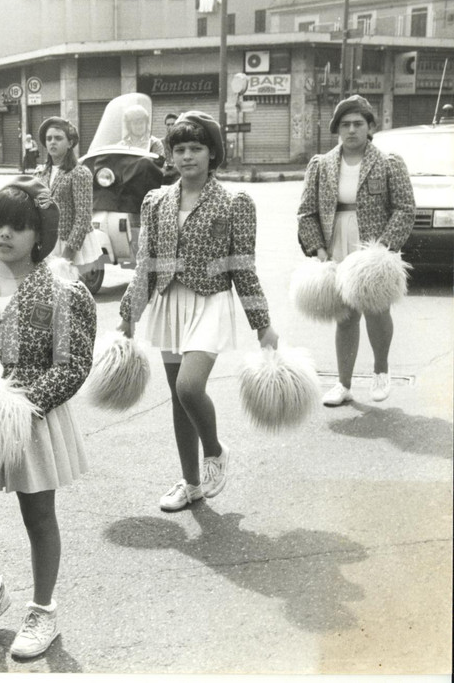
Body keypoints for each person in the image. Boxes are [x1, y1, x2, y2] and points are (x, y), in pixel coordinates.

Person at [0, 176, 95, 659]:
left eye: (17, 227)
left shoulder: (64, 291)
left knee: (38, 515)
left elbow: (73, 365)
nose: (4, 234)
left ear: (39, 235)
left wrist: (24, 405)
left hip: (33, 415)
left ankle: (43, 610)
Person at [118, 112, 279, 512]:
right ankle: (190, 484)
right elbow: (145, 263)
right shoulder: (156, 201)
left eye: (196, 148)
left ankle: (216, 451)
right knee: (177, 398)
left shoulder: (234, 202)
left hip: (209, 302)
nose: (187, 156)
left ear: (212, 154)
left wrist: (263, 326)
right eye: (179, 149)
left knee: (189, 387)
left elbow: (243, 266)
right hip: (169, 302)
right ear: (170, 156)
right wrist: (128, 314)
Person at [297, 95, 415, 406]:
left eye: (358, 124)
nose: (352, 130)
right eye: (345, 125)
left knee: (377, 310)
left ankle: (381, 372)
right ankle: (344, 384)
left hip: (373, 248)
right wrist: (320, 252)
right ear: (337, 129)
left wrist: (381, 250)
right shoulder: (321, 165)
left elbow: (404, 209)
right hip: (336, 243)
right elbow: (306, 212)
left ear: (369, 127)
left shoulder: (389, 163)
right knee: (345, 316)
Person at [35, 116, 101, 279]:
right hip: (46, 244)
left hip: (69, 245)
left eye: (58, 138)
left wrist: (66, 258)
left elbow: (83, 218)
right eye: (49, 138)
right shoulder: (40, 173)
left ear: (70, 143)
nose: (52, 142)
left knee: (69, 296)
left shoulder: (79, 173)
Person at [162, 112, 181, 184]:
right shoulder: (161, 143)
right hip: (164, 175)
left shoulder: (182, 142)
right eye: (168, 125)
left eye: (173, 124)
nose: (170, 127)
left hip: (178, 175)